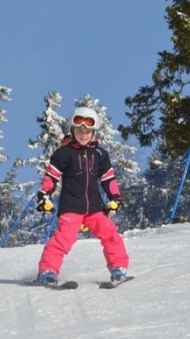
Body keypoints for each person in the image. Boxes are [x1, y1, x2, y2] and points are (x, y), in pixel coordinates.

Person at [35, 106, 130, 284]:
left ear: (94, 133)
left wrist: (115, 198)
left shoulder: (100, 154)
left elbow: (108, 178)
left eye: (88, 131)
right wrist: (44, 195)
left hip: (94, 206)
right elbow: (52, 176)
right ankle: (47, 271)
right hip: (71, 206)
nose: (83, 134)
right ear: (72, 130)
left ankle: (118, 267)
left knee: (110, 233)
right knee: (64, 238)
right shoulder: (64, 153)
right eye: (79, 130)